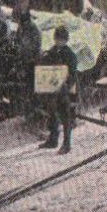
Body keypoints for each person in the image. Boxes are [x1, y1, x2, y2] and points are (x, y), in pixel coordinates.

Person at [37, 25, 79, 154]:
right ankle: (53, 139)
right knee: (52, 113)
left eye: (61, 39)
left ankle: (66, 144)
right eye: (57, 39)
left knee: (65, 116)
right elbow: (45, 65)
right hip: (52, 88)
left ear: (66, 40)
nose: (58, 41)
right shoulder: (52, 51)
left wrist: (64, 85)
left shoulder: (70, 55)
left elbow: (72, 74)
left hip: (66, 90)